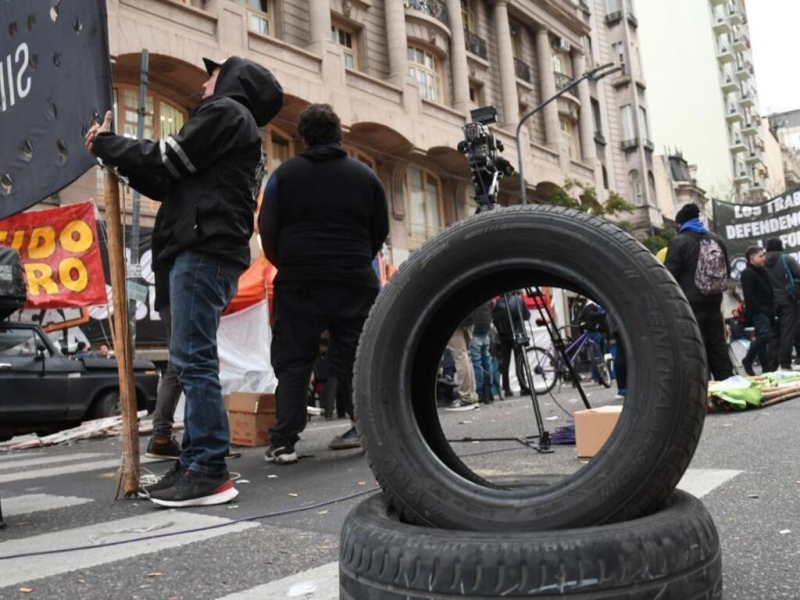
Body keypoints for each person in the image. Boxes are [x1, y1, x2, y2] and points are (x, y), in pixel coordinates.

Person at [86, 55, 284, 507]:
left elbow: (164, 157)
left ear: (234, 80)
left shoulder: (226, 113)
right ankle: (196, 460)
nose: (201, 84)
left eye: (211, 74)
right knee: (191, 358)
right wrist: (114, 154)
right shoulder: (235, 125)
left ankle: (209, 468)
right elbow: (165, 179)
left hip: (203, 249)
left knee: (193, 361)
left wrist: (109, 144)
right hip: (203, 248)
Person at [258, 103, 389, 464]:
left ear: (303, 137)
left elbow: (267, 230)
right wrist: (359, 257)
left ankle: (284, 441)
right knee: (356, 356)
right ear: (339, 134)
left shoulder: (284, 176)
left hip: (300, 280)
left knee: (294, 360)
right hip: (354, 279)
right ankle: (364, 428)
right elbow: (380, 230)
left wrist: (288, 262)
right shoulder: (366, 177)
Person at [664, 203, 734, 381]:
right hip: (714, 301)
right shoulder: (716, 240)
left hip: (690, 304)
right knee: (718, 343)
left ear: (680, 224)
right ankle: (726, 382)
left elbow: (669, 275)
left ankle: (702, 385)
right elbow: (728, 271)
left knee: (697, 345)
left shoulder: (679, 242)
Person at [145, 266, 183, 460]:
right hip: (180, 295)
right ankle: (204, 441)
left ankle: (161, 436)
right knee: (193, 363)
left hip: (170, 296)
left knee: (178, 366)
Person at [763, 238, 800, 370]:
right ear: (781, 247)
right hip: (788, 300)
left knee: (773, 334)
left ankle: (772, 365)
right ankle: (785, 363)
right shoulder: (787, 259)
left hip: (770, 303)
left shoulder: (763, 262)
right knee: (788, 332)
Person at [740, 246, 777, 375]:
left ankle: (766, 368)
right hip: (758, 310)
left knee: (765, 338)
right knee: (764, 336)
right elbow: (749, 295)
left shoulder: (763, 271)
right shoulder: (747, 273)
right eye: (760, 256)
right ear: (752, 258)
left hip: (768, 309)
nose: (763, 258)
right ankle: (748, 360)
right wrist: (758, 309)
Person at [492, 291, 531, 397]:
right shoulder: (517, 300)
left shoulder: (498, 303)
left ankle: (506, 388)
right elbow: (527, 316)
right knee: (519, 361)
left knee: (505, 362)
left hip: (504, 336)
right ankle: (523, 387)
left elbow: (495, 320)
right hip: (517, 334)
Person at [444, 314, 480, 411]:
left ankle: (466, 397)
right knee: (466, 356)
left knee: (460, 356)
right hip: (469, 318)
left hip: (454, 321)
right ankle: (471, 395)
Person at [469, 301, 497, 404]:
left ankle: (480, 392)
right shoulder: (488, 300)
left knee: (477, 363)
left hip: (475, 331)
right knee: (487, 361)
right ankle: (489, 391)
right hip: (485, 331)